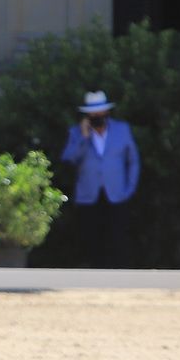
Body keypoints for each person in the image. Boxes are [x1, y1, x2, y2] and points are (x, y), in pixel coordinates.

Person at [60, 90, 141, 269]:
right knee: (90, 238)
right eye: (92, 113)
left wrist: (129, 188)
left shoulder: (122, 130)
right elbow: (69, 159)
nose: (96, 116)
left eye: (100, 112)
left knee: (117, 237)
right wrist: (83, 137)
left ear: (106, 112)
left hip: (117, 193)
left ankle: (118, 276)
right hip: (89, 195)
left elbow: (133, 161)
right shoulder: (76, 133)